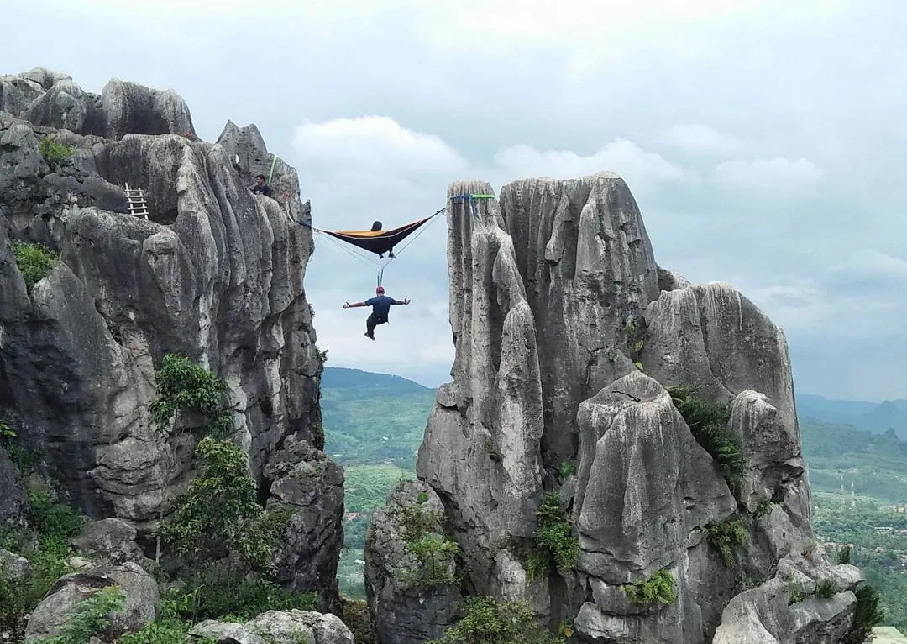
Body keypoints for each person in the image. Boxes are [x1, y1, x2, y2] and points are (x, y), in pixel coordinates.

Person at [343, 286, 410, 340]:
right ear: (384, 292)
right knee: (373, 319)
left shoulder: (374, 300)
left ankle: (370, 334)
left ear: (376, 293)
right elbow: (397, 302)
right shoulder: (389, 299)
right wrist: (405, 303)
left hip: (375, 319)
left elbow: (362, 304)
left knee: (369, 321)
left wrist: (350, 306)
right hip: (383, 320)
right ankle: (370, 333)